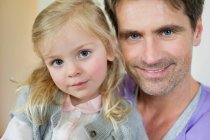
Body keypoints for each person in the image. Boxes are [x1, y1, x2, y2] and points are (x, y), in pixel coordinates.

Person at [1, 0, 147, 139]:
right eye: (57, 62)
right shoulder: (35, 100)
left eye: (84, 53)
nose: (72, 71)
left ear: (109, 48)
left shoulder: (127, 121)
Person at [104, 0, 210, 140]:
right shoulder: (102, 96)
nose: (151, 58)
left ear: (197, 30)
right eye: (133, 36)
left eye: (167, 32)